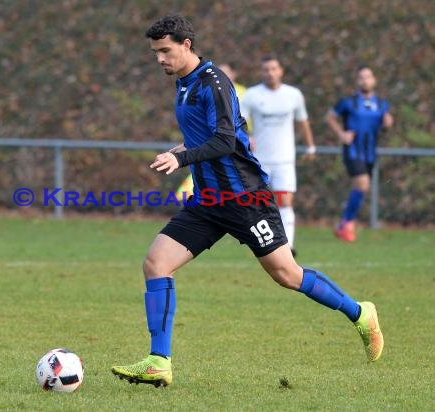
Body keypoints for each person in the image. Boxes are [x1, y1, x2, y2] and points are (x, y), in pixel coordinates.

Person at [111, 15, 383, 388]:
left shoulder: (215, 82)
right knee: (156, 264)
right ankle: (159, 361)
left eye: (165, 51)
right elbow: (208, 135)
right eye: (155, 52)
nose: (159, 58)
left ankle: (359, 312)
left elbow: (226, 141)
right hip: (208, 200)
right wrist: (183, 147)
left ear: (186, 45)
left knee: (287, 274)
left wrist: (182, 159)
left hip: (245, 198)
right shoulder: (184, 84)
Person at [239, 55, 316, 256]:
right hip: (259, 160)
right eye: (266, 69)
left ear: (281, 71)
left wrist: (310, 146)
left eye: (274, 68)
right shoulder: (252, 95)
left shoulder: (293, 95)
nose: (270, 73)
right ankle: (260, 241)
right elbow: (238, 123)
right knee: (256, 203)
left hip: (285, 160)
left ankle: (288, 245)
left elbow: (303, 121)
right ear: (261, 72)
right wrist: (247, 140)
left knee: (285, 201)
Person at [327, 66, 393, 242]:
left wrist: (388, 123)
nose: (365, 80)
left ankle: (343, 223)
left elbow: (385, 124)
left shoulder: (382, 103)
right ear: (357, 81)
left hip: (370, 152)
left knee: (362, 187)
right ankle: (347, 224)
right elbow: (330, 117)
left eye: (368, 77)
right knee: (363, 185)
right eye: (361, 77)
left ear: (374, 80)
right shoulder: (349, 102)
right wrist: (342, 134)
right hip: (353, 150)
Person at [175, 62, 247, 203]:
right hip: (212, 146)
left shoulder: (244, 93)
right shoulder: (206, 88)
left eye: (225, 73)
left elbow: (245, 121)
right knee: (186, 194)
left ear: (233, 74)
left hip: (234, 148)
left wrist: (250, 137)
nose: (219, 76)